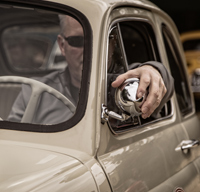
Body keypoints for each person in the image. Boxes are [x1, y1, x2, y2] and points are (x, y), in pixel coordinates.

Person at [8, 15, 174, 124]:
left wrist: (153, 71)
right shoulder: (33, 91)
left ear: (112, 44)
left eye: (98, 41)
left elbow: (162, 86)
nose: (88, 50)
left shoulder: (124, 83)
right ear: (62, 46)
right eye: (77, 40)